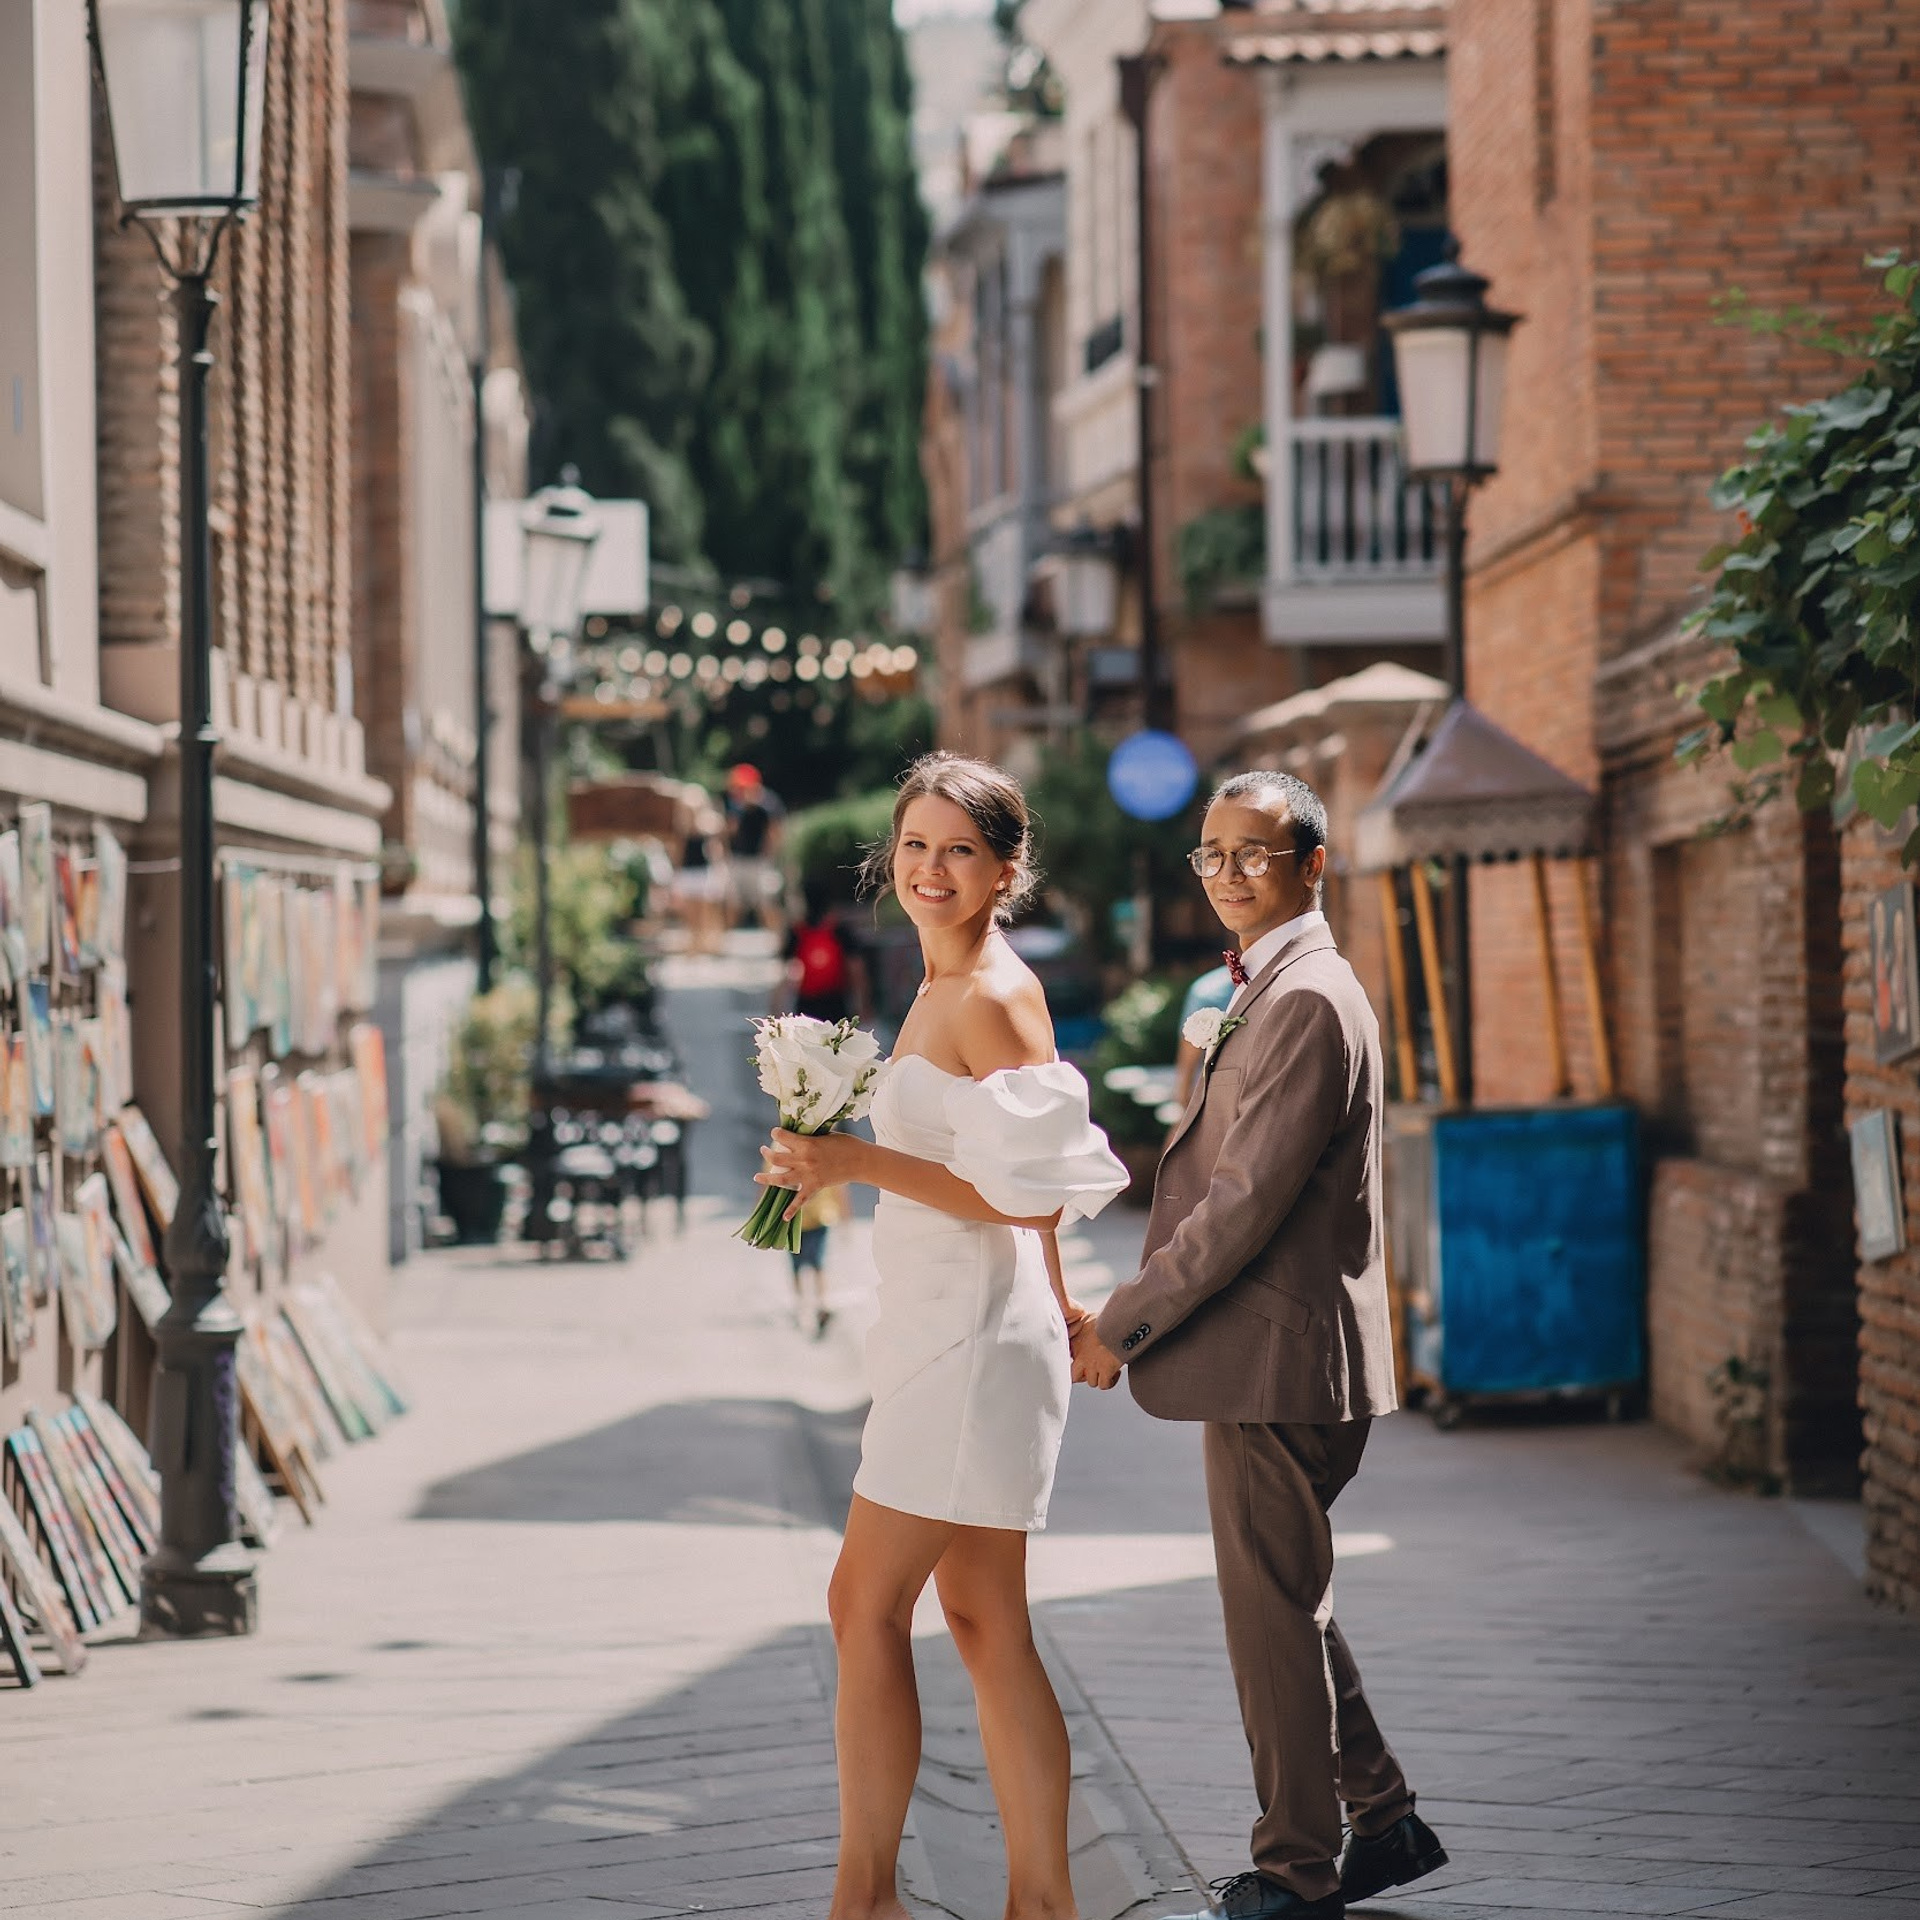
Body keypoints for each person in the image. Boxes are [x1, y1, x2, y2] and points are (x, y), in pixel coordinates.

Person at [756, 751, 1128, 1920]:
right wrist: (1067, 1303)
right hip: (952, 1319)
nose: (930, 868)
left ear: (1005, 869)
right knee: (981, 1617)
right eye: (914, 846)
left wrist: (855, 1160)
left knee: (862, 1604)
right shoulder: (931, 984)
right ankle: (1039, 1905)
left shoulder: (995, 994)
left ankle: (866, 1898)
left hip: (970, 1336)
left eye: (959, 850)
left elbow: (1027, 1196)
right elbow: (1032, 1177)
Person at [1072, 770, 1446, 1920]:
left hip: (1277, 1360)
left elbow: (1241, 1204)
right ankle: (1382, 1821)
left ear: (1313, 865)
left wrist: (1123, 1324)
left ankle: (1297, 1873)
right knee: (1291, 1594)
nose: (1230, 874)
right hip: (1272, 1352)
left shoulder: (1306, 999)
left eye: (1256, 853)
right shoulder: (1276, 983)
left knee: (1271, 1621)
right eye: (1212, 854)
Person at [778, 882, 872, 1026]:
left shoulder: (797, 932)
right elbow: (857, 970)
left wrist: (777, 1010)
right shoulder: (840, 930)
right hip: (836, 1002)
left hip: (805, 1003)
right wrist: (863, 1005)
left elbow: (785, 974)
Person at [726, 763, 786, 932]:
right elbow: (731, 831)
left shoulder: (768, 803)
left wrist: (770, 856)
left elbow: (775, 833)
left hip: (760, 861)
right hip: (738, 859)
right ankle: (728, 943)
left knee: (767, 903)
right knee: (734, 903)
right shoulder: (736, 804)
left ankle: (779, 942)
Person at [1172, 960, 1237, 1107]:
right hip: (1216, 1094)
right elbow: (1189, 1049)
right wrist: (1183, 1094)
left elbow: (1188, 1058)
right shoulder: (1210, 990)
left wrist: (1183, 1094)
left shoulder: (1208, 988)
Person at [790, 1181, 848, 1338]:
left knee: (816, 1264)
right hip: (797, 1219)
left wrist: (845, 1218)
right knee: (802, 1266)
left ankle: (819, 1304)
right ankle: (804, 1304)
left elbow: (839, 1189)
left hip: (818, 1218)